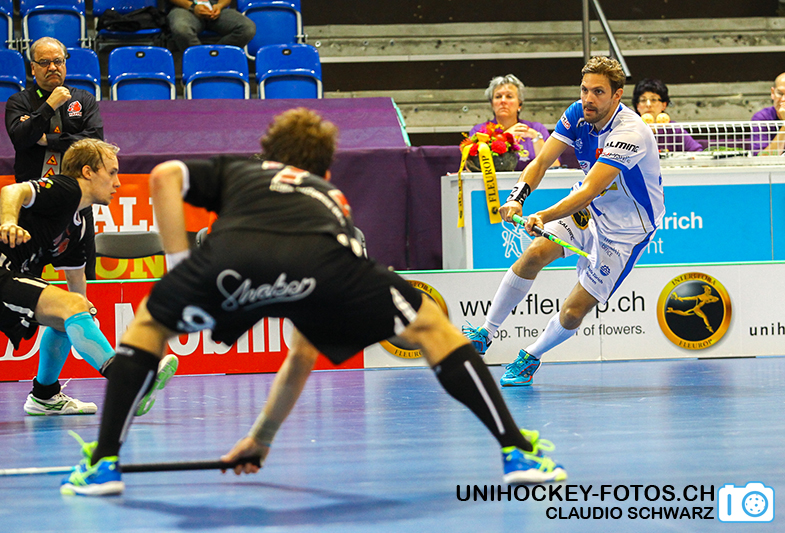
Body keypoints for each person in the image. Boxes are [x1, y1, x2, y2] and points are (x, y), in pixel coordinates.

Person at [60, 108, 566, 496]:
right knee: (433, 328)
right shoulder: (330, 196)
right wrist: (263, 438)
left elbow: (164, 177)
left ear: (269, 151)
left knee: (148, 330)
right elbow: (303, 353)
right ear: (323, 166)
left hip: (233, 261)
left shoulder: (245, 172)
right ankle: (516, 450)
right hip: (328, 261)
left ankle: (104, 462)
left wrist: (179, 275)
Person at [462, 57, 664, 387]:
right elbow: (541, 161)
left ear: (617, 95)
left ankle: (531, 356)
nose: (588, 99)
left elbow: (589, 189)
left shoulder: (631, 132)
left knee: (573, 312)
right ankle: (485, 333)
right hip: (591, 212)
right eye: (584, 90)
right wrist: (516, 197)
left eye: (598, 92)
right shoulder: (577, 114)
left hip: (626, 230)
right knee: (534, 254)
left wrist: (542, 215)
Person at [0, 138, 177, 415]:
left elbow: (76, 281)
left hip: (11, 276)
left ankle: (45, 396)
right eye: (112, 172)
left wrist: (81, 315)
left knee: (66, 315)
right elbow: (13, 190)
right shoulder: (66, 188)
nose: (118, 182)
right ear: (87, 172)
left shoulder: (78, 224)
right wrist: (8, 222)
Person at [5, 37, 103, 279]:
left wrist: (49, 140)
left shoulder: (83, 99)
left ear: (65, 64)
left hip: (76, 203)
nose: (52, 67)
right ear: (33, 68)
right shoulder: (19, 102)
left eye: (58, 61)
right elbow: (21, 138)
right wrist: (49, 105)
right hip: (33, 207)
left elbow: (95, 142)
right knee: (23, 277)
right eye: (44, 62)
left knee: (84, 277)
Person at [470, 74, 559, 170]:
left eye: (509, 96)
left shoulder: (537, 129)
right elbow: (473, 168)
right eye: (498, 97)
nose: (503, 101)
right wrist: (505, 137)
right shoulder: (480, 131)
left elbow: (554, 167)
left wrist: (536, 137)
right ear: (492, 104)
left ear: (519, 104)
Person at [631, 78, 703, 153]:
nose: (648, 105)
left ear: (664, 105)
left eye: (653, 100)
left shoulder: (674, 129)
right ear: (637, 106)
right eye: (643, 100)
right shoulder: (630, 130)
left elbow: (697, 151)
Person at [166, 0, 256, 52]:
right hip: (185, 8)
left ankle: (215, 56)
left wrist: (219, 6)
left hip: (215, 8)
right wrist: (193, 7)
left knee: (248, 28)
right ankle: (201, 60)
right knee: (181, 29)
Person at [751, 72, 785, 156]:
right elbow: (762, 158)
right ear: (772, 93)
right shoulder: (762, 118)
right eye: (780, 94)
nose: (783, 99)